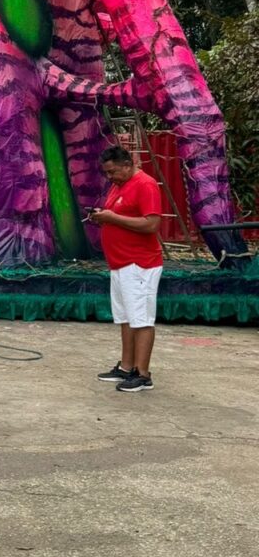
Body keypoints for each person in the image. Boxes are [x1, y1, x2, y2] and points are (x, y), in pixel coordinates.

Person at [89, 144, 163, 392]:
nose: (109, 177)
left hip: (139, 263)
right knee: (125, 317)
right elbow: (117, 213)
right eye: (106, 173)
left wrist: (112, 218)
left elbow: (151, 224)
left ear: (127, 165)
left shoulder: (145, 184)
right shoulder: (119, 185)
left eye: (112, 172)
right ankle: (126, 366)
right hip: (120, 263)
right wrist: (102, 216)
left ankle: (143, 374)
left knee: (141, 319)